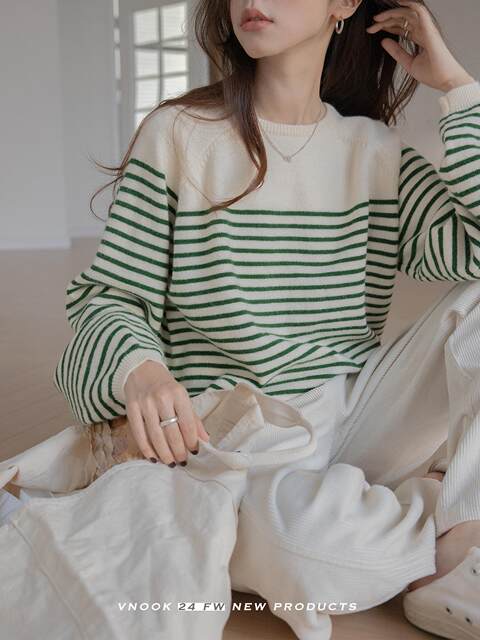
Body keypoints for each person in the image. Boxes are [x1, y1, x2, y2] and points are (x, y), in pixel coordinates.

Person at [11, 0, 480, 638]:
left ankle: (459, 528)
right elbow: (110, 296)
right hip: (234, 439)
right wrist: (141, 371)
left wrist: (456, 86)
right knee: (317, 556)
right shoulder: (179, 134)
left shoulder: (377, 153)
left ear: (345, 4)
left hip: (355, 416)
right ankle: (411, 508)